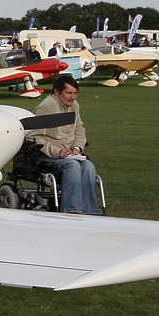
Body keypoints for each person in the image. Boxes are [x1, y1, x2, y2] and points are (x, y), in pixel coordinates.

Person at [30, 75, 100, 214]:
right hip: (46, 156)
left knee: (88, 166)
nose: (73, 97)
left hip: (69, 153)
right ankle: (71, 211)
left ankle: (91, 212)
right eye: (69, 93)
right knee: (73, 166)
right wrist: (57, 152)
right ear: (57, 92)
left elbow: (79, 129)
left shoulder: (74, 106)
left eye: (75, 93)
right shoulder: (46, 107)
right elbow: (35, 137)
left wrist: (77, 147)